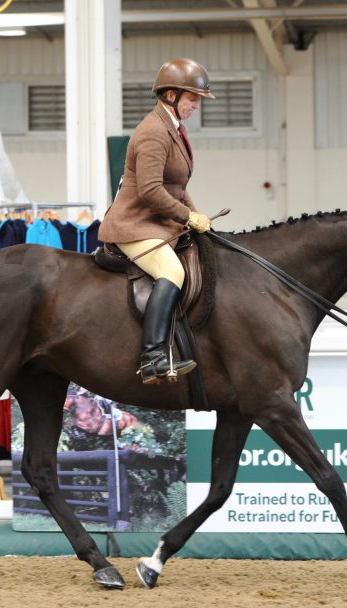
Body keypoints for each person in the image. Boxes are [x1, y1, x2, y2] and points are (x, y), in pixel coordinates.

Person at [99, 57, 214, 384]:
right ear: (171, 95)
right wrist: (186, 215)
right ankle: (152, 357)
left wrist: (196, 216)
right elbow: (150, 191)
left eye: (197, 100)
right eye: (193, 98)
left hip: (158, 221)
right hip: (135, 223)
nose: (196, 105)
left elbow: (177, 187)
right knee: (172, 271)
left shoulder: (174, 129)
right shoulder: (153, 131)